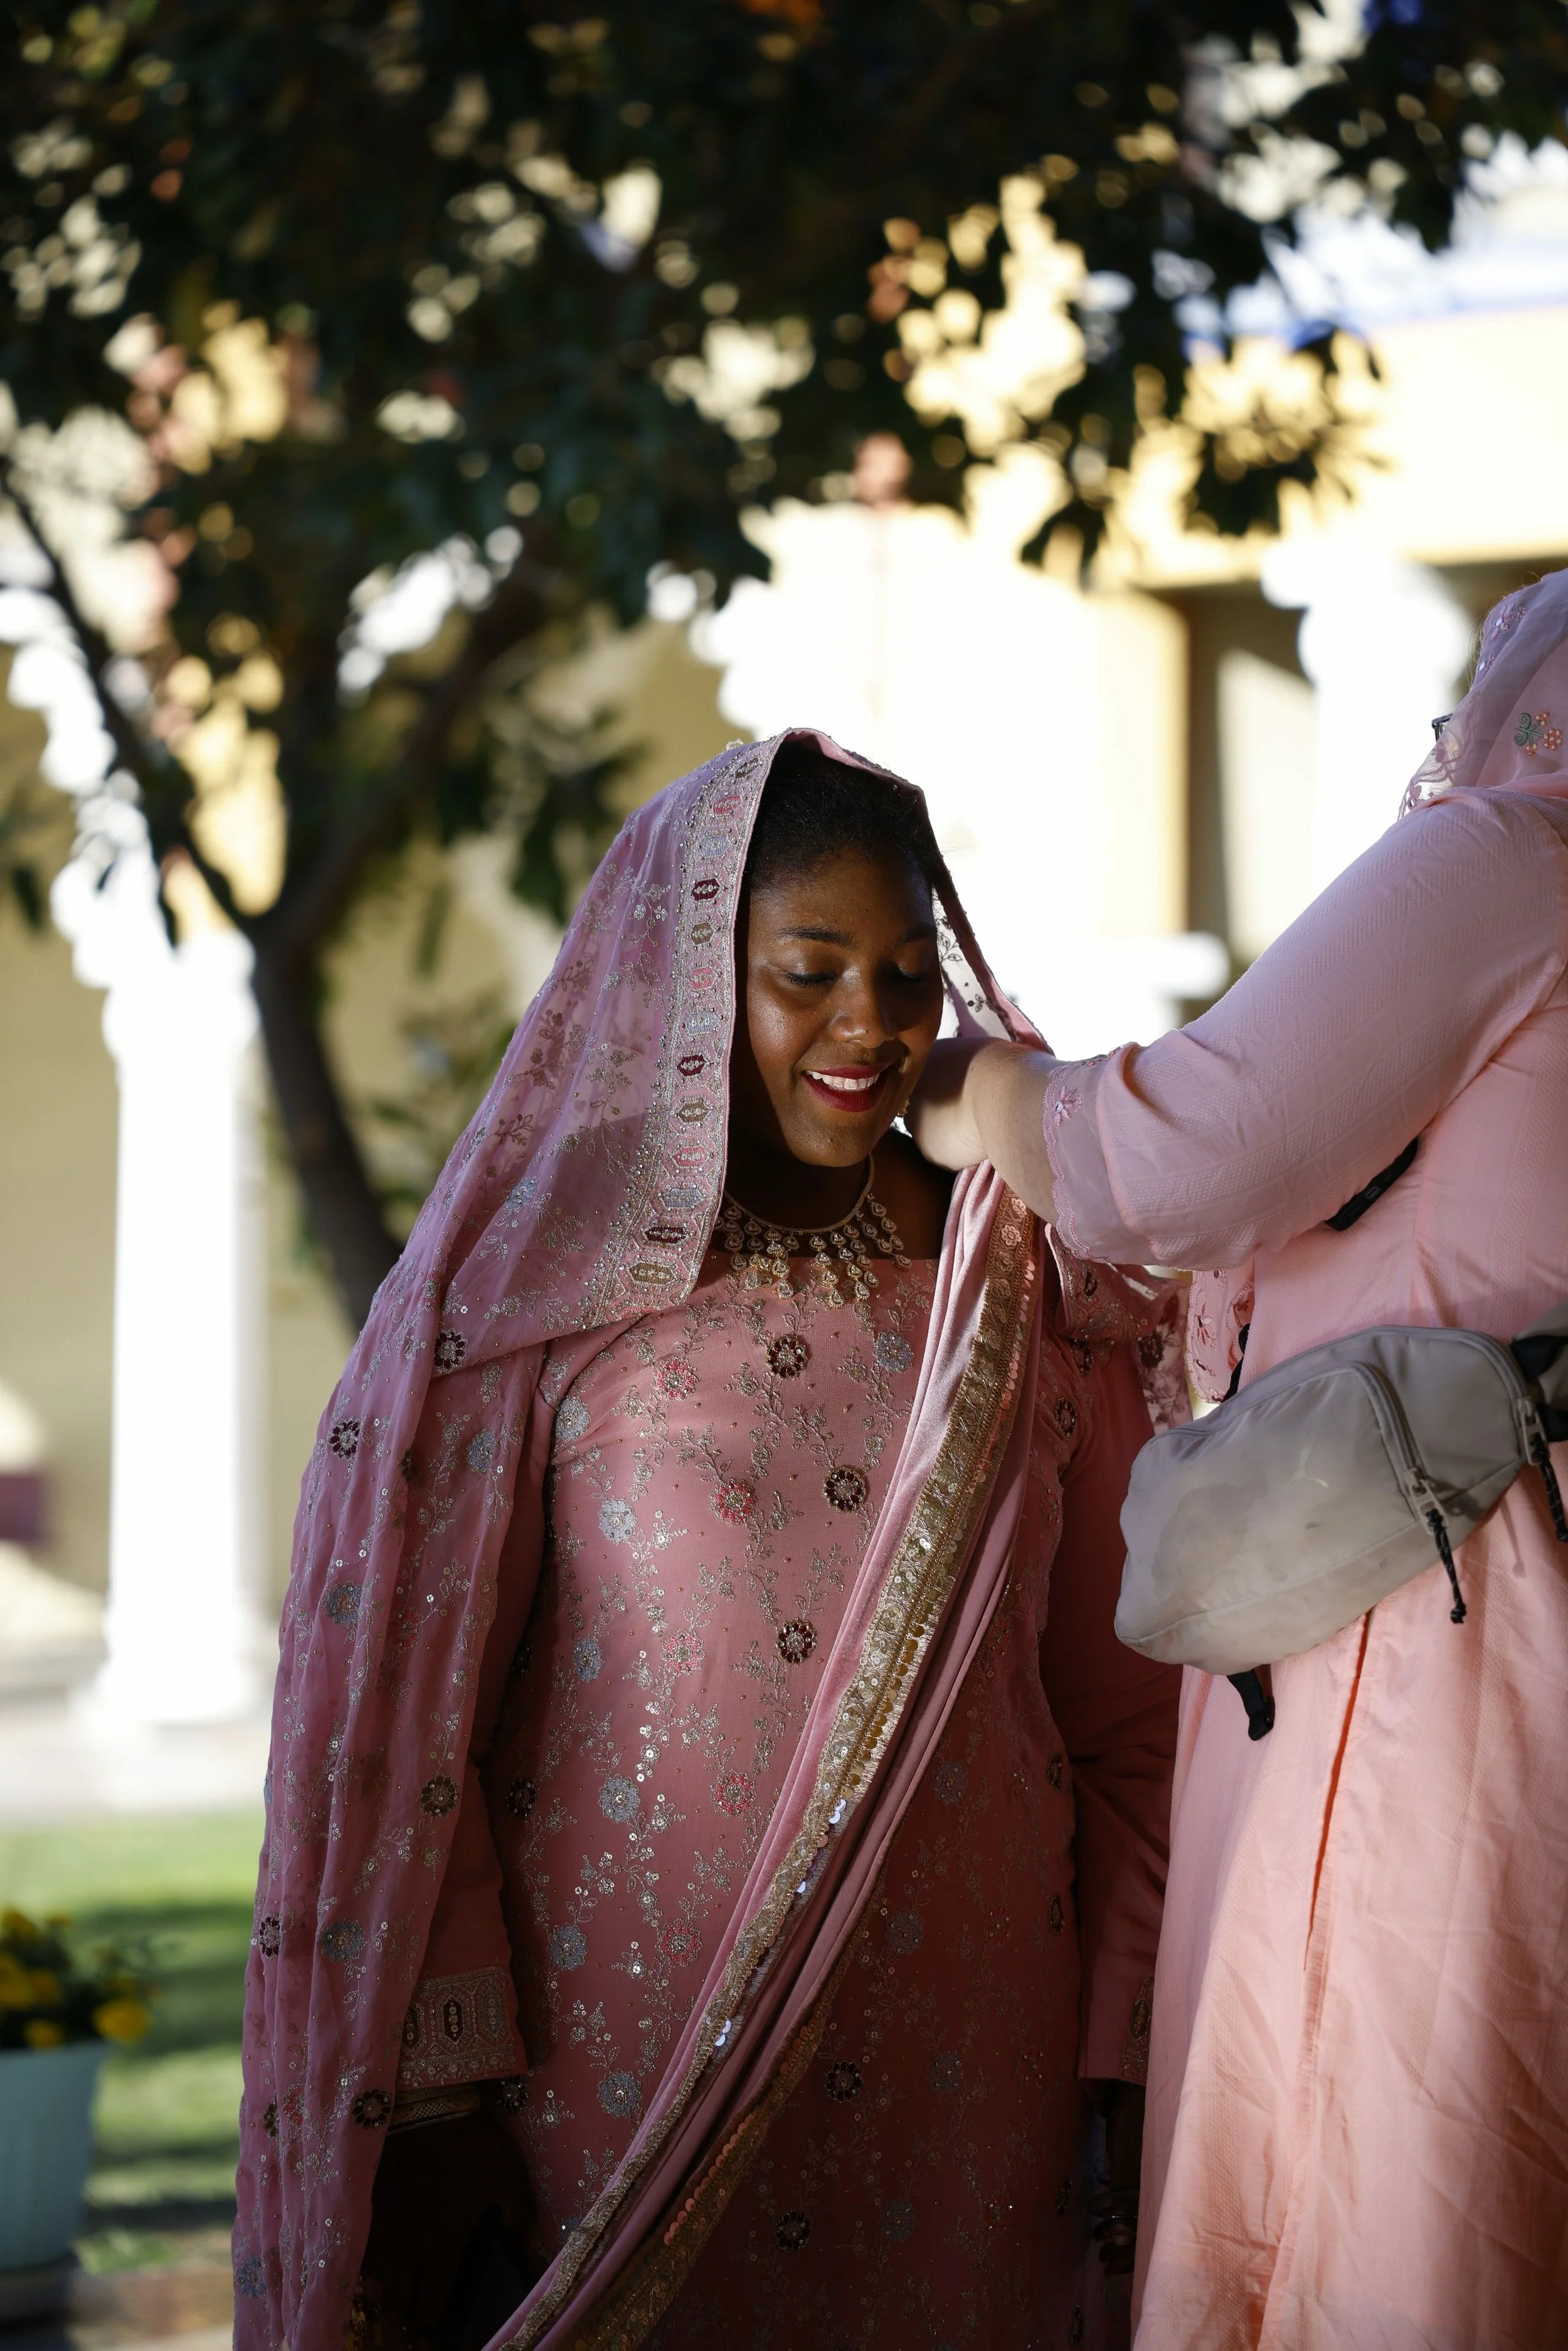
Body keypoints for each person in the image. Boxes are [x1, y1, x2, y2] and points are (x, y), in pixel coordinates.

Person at [234, 731, 1184, 2351]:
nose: (870, 1025)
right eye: (806, 971)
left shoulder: (1018, 1281)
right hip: (627, 2035)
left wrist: (1124, 2028)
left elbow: (1120, 1698)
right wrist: (445, 2076)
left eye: (902, 974)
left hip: (973, 2019)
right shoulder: (544, 1294)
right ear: (687, 980)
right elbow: (414, 1711)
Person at [909, 573, 1568, 2351]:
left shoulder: (1511, 860)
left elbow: (1189, 1153)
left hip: (1424, 1596)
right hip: (1480, 1572)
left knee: (1383, 2132)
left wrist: (972, 1095)